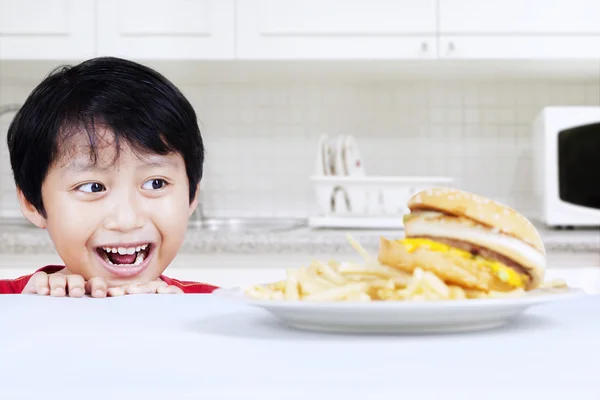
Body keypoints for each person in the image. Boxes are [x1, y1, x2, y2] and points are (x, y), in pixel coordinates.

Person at [0, 57, 218, 296]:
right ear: (32, 204)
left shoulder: (215, 306)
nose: (126, 221)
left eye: (156, 183)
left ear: (192, 193)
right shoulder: (9, 300)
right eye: (93, 187)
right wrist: (23, 313)